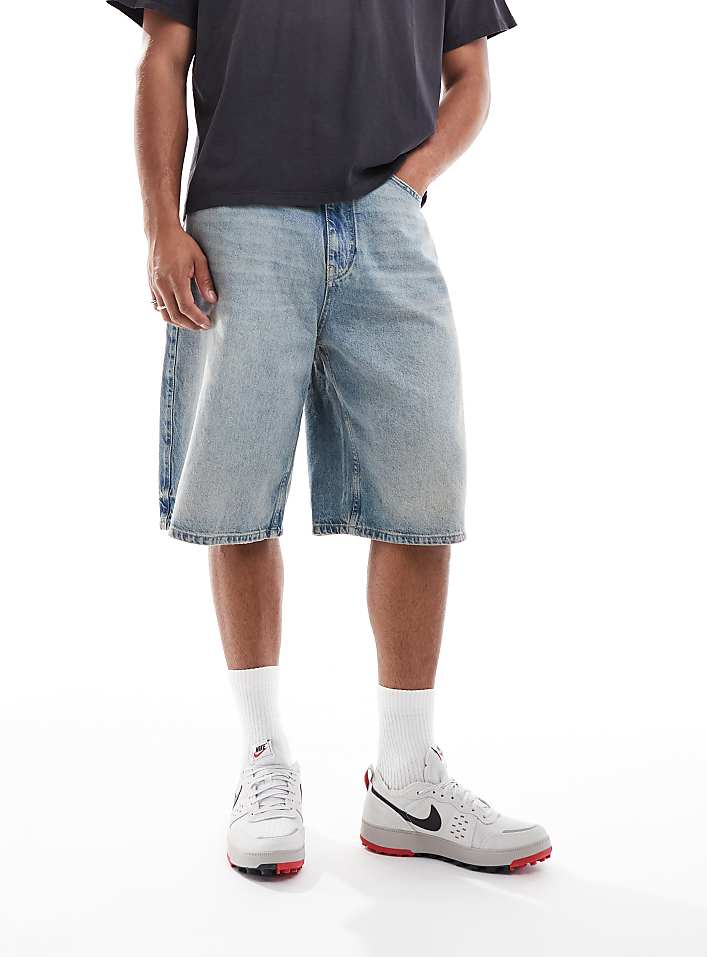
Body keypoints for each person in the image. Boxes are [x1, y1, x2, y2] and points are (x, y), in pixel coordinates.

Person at [109, 0, 551, 877]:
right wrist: (161, 224)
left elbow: (471, 75)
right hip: (241, 216)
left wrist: (410, 181)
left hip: (385, 217)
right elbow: (162, 57)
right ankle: (264, 761)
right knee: (238, 489)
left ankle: (406, 780)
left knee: (422, 488)